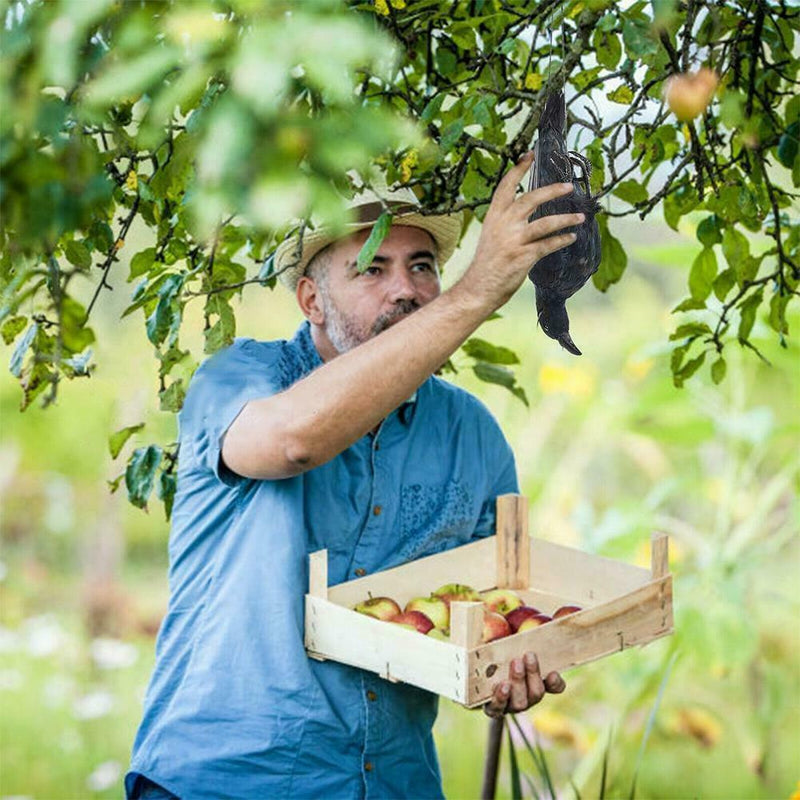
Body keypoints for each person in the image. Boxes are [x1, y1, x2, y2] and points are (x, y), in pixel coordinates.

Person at [125, 153, 584, 800]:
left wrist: (504, 672)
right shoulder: (240, 379)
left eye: (422, 267)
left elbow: (491, 615)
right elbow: (290, 443)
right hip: (223, 784)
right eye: (372, 266)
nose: (406, 288)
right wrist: (477, 291)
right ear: (311, 298)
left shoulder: (470, 434)